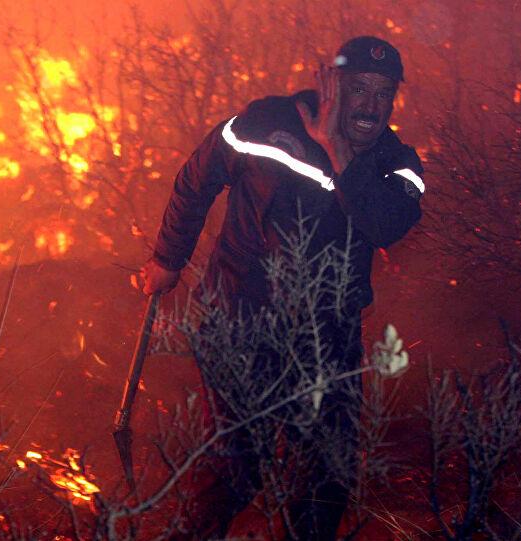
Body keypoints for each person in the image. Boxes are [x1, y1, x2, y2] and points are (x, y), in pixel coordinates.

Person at [141, 36, 424, 539]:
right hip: (241, 321)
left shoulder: (397, 162)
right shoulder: (265, 124)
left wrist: (339, 155)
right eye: (359, 89)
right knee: (237, 469)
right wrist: (167, 258)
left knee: (326, 476)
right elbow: (196, 179)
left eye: (384, 94)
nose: (371, 106)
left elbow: (387, 224)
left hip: (328, 338)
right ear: (331, 83)